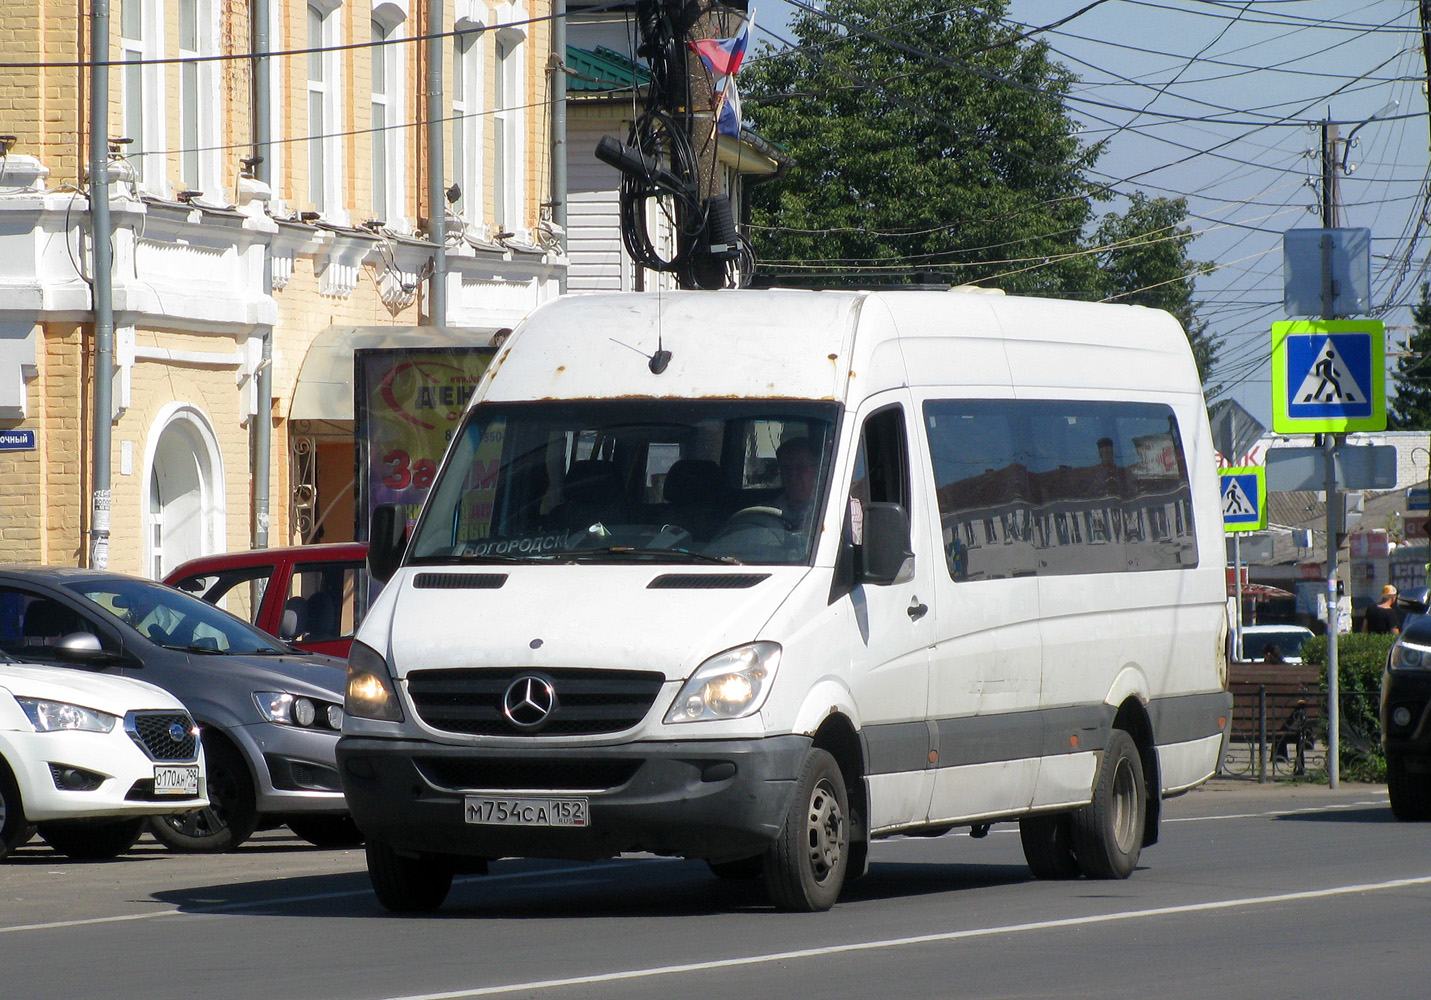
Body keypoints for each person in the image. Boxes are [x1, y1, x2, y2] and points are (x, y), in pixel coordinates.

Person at [772, 437, 820, 526]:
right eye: (786, 468)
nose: (792, 476)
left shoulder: (828, 511)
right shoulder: (765, 513)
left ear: (817, 470)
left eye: (801, 467)